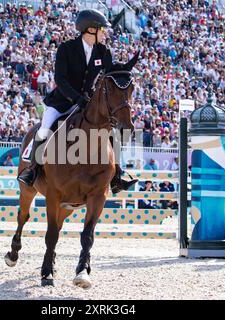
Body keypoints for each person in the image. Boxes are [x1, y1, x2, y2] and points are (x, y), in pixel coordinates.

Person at [17, 9, 138, 193]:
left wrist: (127, 67)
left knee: (110, 130)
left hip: (89, 103)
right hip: (62, 101)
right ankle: (32, 170)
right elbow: (60, 79)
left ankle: (117, 175)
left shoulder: (102, 51)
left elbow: (112, 73)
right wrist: (76, 98)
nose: (104, 33)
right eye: (102, 30)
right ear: (90, 30)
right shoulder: (66, 48)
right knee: (44, 129)